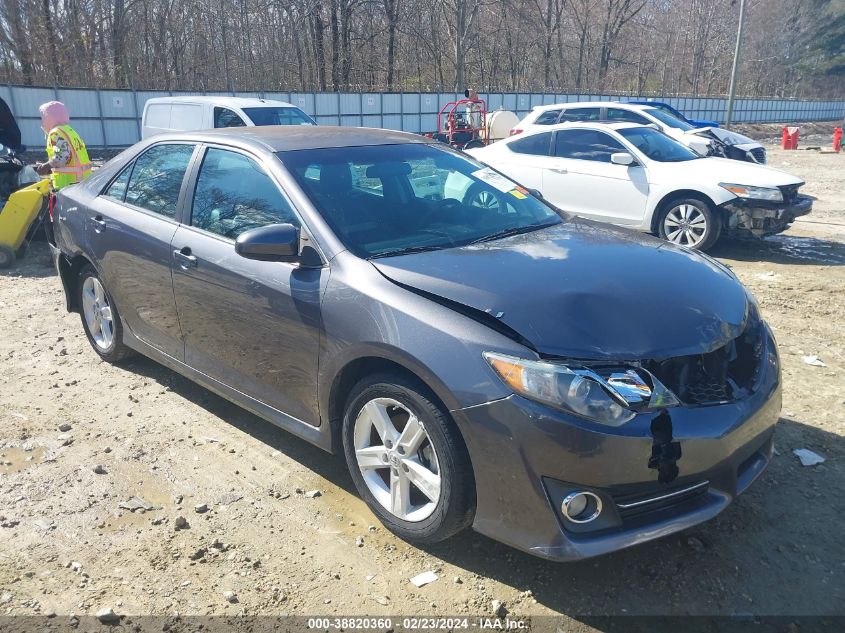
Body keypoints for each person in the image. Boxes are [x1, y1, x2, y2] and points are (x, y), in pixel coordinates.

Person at [34, 101, 92, 190]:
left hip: (69, 186)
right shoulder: (69, 130)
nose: (42, 122)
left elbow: (63, 156)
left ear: (49, 117)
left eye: (43, 118)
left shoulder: (55, 133)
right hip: (83, 181)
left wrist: (46, 166)